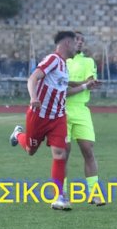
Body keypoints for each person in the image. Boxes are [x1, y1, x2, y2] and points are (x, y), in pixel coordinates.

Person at [9, 31, 97, 211]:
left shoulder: (64, 66)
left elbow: (65, 84)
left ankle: (59, 197)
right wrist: (34, 97)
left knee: (60, 154)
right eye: (75, 42)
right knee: (30, 150)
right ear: (66, 43)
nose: (77, 46)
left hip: (57, 117)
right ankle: (18, 134)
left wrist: (86, 85)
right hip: (39, 115)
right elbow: (33, 78)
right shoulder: (53, 59)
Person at [65, 31, 105, 205]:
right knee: (62, 154)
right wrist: (85, 84)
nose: (80, 42)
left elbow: (91, 82)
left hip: (81, 110)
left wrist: (80, 83)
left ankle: (94, 194)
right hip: (62, 110)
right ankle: (62, 194)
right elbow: (62, 83)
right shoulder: (61, 60)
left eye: (82, 40)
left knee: (88, 151)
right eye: (76, 39)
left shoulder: (88, 61)